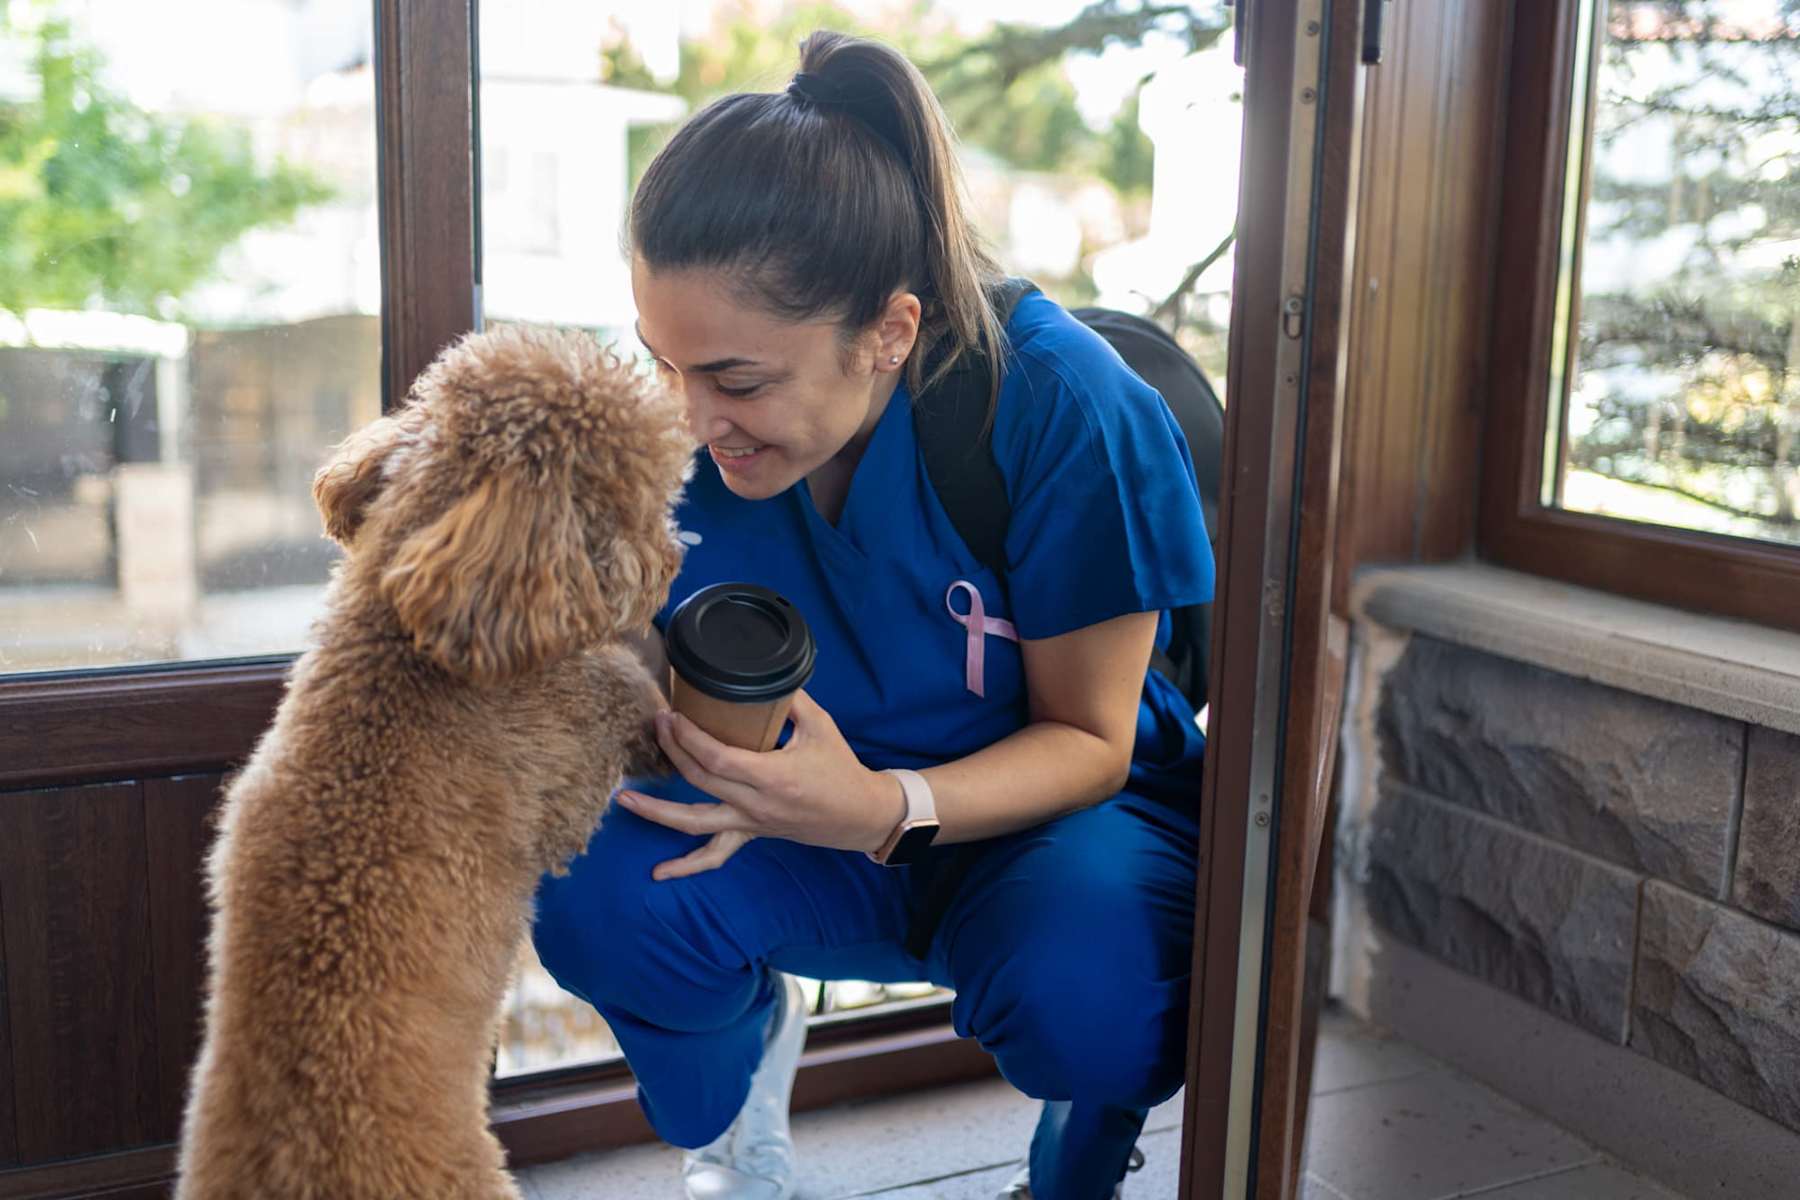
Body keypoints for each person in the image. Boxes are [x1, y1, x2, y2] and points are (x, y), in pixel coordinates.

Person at [530, 29, 1214, 1200]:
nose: (691, 420)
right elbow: (629, 638)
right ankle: (738, 1085)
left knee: (1093, 1001)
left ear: (889, 332)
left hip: (1049, 826)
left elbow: (1094, 741)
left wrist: (882, 807)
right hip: (786, 814)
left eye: (739, 382)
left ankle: (1080, 1154)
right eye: (665, 363)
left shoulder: (1062, 403)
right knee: (593, 894)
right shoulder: (669, 414)